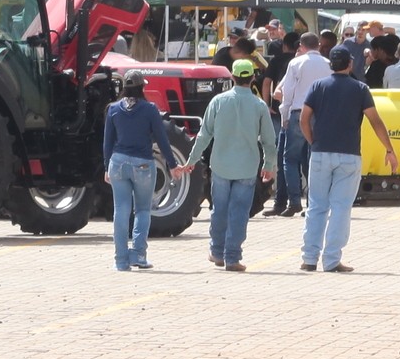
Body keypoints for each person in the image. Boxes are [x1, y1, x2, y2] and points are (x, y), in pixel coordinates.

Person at [296, 47, 398, 272]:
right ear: (350, 64)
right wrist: (389, 150)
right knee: (341, 208)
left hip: (321, 153)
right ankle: (331, 260)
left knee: (316, 206)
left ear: (331, 64)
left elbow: (304, 119)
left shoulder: (318, 86)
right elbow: (375, 121)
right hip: (349, 155)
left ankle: (309, 258)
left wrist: (314, 142)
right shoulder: (360, 89)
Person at [182, 58, 276, 270]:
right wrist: (269, 165)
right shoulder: (259, 105)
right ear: (252, 78)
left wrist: (191, 161)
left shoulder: (218, 101)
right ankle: (233, 257)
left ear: (232, 78)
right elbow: (269, 141)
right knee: (239, 212)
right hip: (247, 168)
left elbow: (203, 135)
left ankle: (216, 252)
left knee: (219, 210)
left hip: (221, 166)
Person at [103, 70, 179, 271]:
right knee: (143, 209)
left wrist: (105, 167)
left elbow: (107, 142)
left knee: (120, 209)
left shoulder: (112, 109)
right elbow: (162, 139)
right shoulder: (150, 109)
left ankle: (120, 260)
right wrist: (172, 164)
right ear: (141, 87)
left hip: (117, 163)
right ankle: (138, 255)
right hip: (143, 164)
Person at [273, 29, 328, 216]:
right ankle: (313, 202)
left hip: (298, 112)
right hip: (320, 115)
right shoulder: (328, 64)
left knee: (290, 158)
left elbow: (287, 92)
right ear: (319, 45)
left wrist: (285, 116)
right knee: (315, 160)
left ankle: (294, 201)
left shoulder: (296, 63)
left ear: (301, 46)